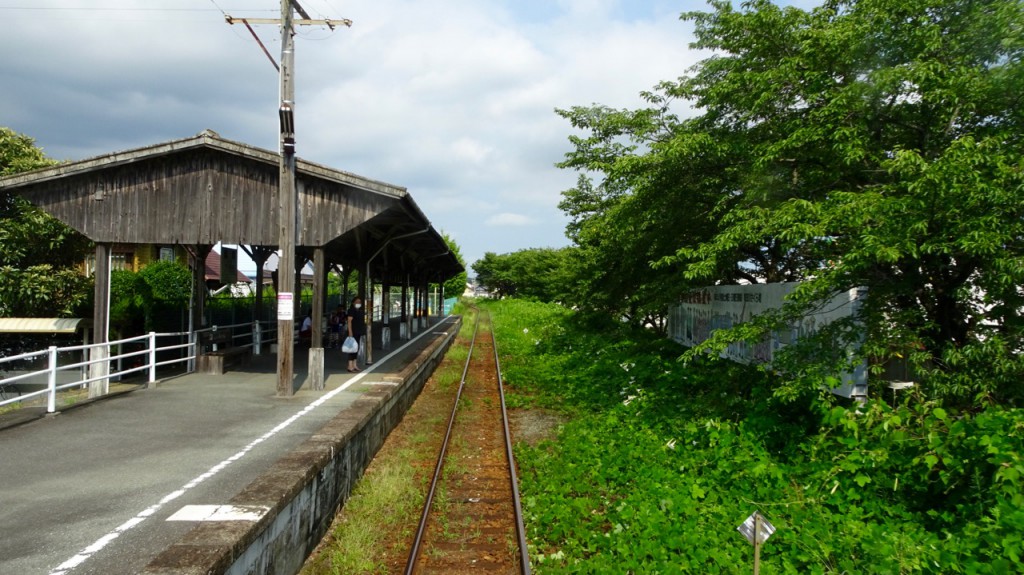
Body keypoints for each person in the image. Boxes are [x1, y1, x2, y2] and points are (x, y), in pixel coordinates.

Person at [346, 296, 366, 373]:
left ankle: (354, 365)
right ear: (353, 303)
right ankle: (350, 365)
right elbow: (349, 321)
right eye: (357, 302)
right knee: (352, 348)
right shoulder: (351, 310)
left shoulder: (360, 311)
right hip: (353, 332)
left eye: (360, 302)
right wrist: (350, 332)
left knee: (356, 348)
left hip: (359, 331)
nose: (358, 303)